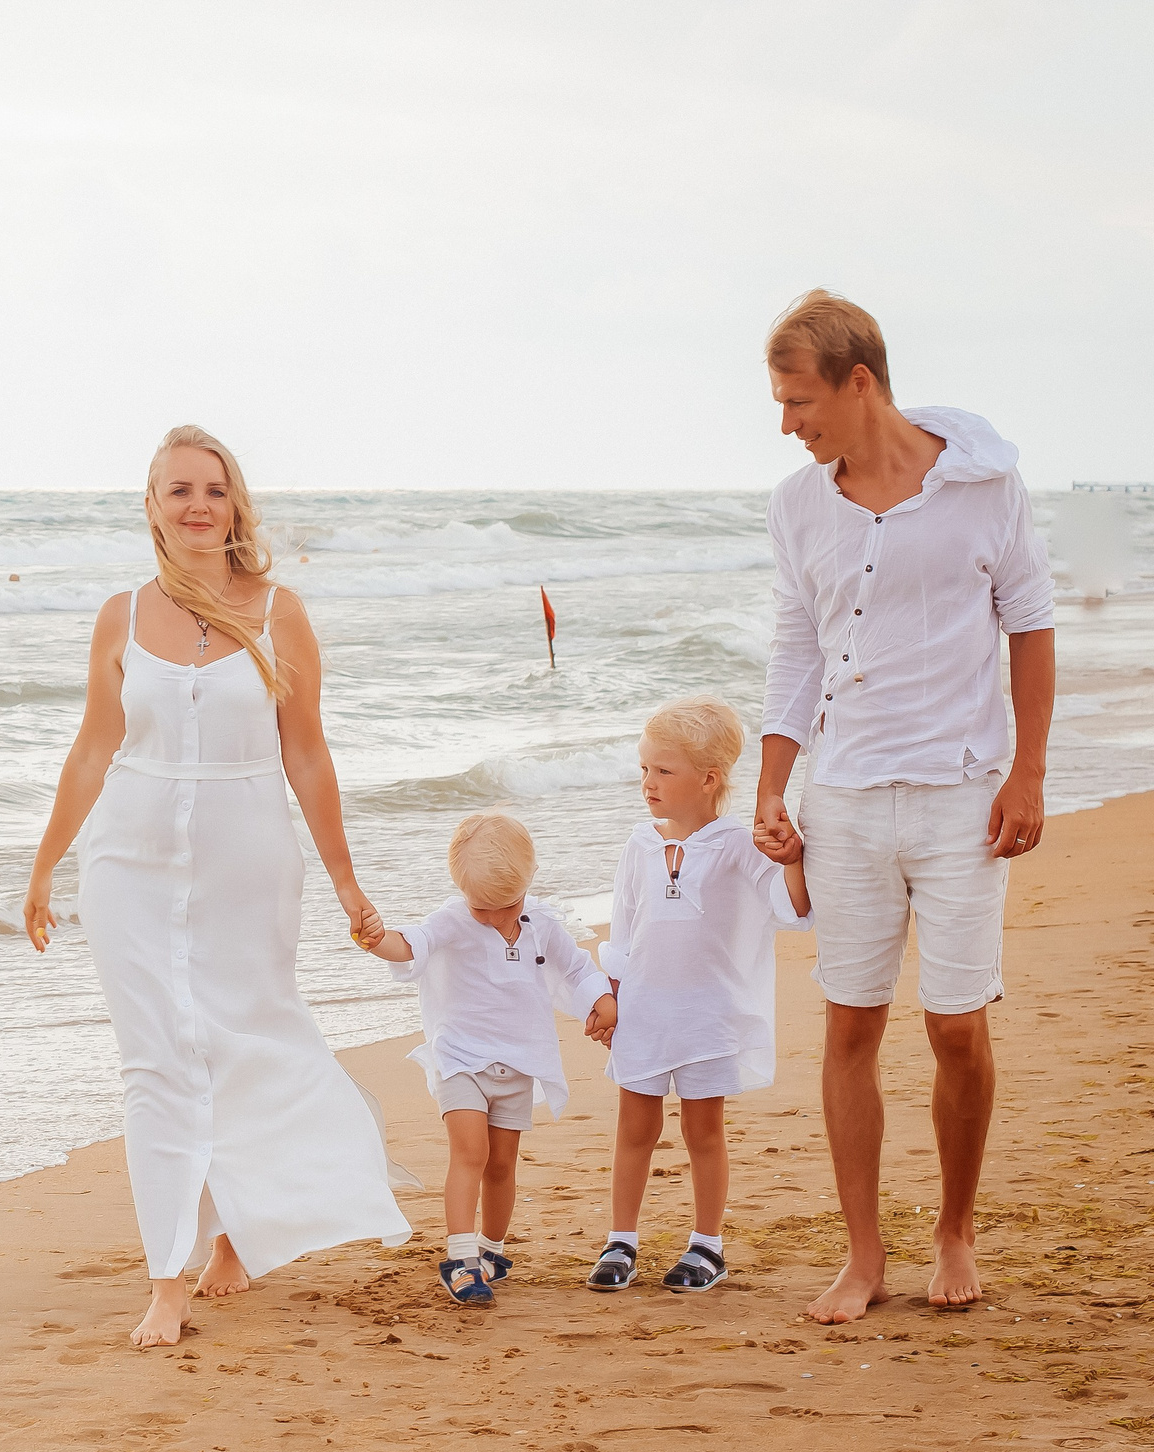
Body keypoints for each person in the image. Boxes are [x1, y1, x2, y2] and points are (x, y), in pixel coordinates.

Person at [24, 425, 409, 1348]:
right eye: (179, 490)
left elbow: (307, 755)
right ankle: (168, 1276)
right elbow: (93, 747)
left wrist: (349, 883)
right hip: (129, 860)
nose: (199, 505)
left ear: (236, 504)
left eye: (215, 489)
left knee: (245, 1039)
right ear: (151, 507)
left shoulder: (280, 612)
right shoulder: (121, 615)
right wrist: (43, 864)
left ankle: (237, 1227)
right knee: (155, 1062)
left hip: (249, 857)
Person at [751, 289, 1056, 1323]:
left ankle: (954, 1226)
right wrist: (768, 785)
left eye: (798, 400)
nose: (788, 422)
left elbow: (1030, 623)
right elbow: (797, 648)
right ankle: (863, 1250)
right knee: (850, 1023)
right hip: (842, 797)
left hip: (962, 795)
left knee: (956, 1025)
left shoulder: (984, 482)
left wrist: (1028, 771)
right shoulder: (796, 507)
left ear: (859, 381)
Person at [588, 697, 811, 1296]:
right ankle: (621, 1240)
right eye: (644, 769)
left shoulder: (741, 844)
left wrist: (792, 859)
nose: (648, 783)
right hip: (645, 1010)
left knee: (702, 1130)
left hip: (711, 1016)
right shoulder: (639, 845)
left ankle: (706, 1245)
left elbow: (793, 910)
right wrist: (611, 998)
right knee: (633, 1126)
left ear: (708, 779)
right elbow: (624, 932)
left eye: (663, 771)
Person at [354, 812, 610, 1307]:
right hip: (461, 1059)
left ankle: (492, 1250)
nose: (494, 917)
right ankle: (460, 1256)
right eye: (481, 907)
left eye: (505, 905)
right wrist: (374, 938)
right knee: (470, 1152)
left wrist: (602, 999)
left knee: (501, 1164)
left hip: (517, 1064)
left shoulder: (541, 924)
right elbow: (408, 945)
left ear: (527, 884)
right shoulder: (451, 920)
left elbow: (576, 967)